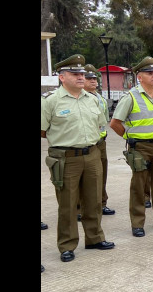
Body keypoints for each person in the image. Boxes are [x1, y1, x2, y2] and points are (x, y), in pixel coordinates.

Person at [41, 54, 115, 262]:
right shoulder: (50, 101)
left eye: (82, 74)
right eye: (75, 74)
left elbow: (100, 124)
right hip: (66, 157)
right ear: (62, 77)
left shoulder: (92, 99)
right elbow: (42, 130)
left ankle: (94, 238)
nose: (81, 77)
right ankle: (67, 244)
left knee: (94, 200)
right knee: (68, 204)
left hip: (92, 154)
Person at [109, 57, 153, 237]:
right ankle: (137, 223)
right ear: (139, 77)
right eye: (150, 73)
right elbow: (115, 123)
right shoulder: (131, 97)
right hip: (140, 147)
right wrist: (129, 137)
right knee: (139, 187)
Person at [82, 64, 115, 216]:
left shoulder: (99, 97)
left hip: (101, 141)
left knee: (102, 174)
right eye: (89, 78)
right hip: (87, 143)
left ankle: (101, 203)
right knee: (84, 178)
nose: (93, 81)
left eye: (95, 78)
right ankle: (79, 207)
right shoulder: (81, 98)